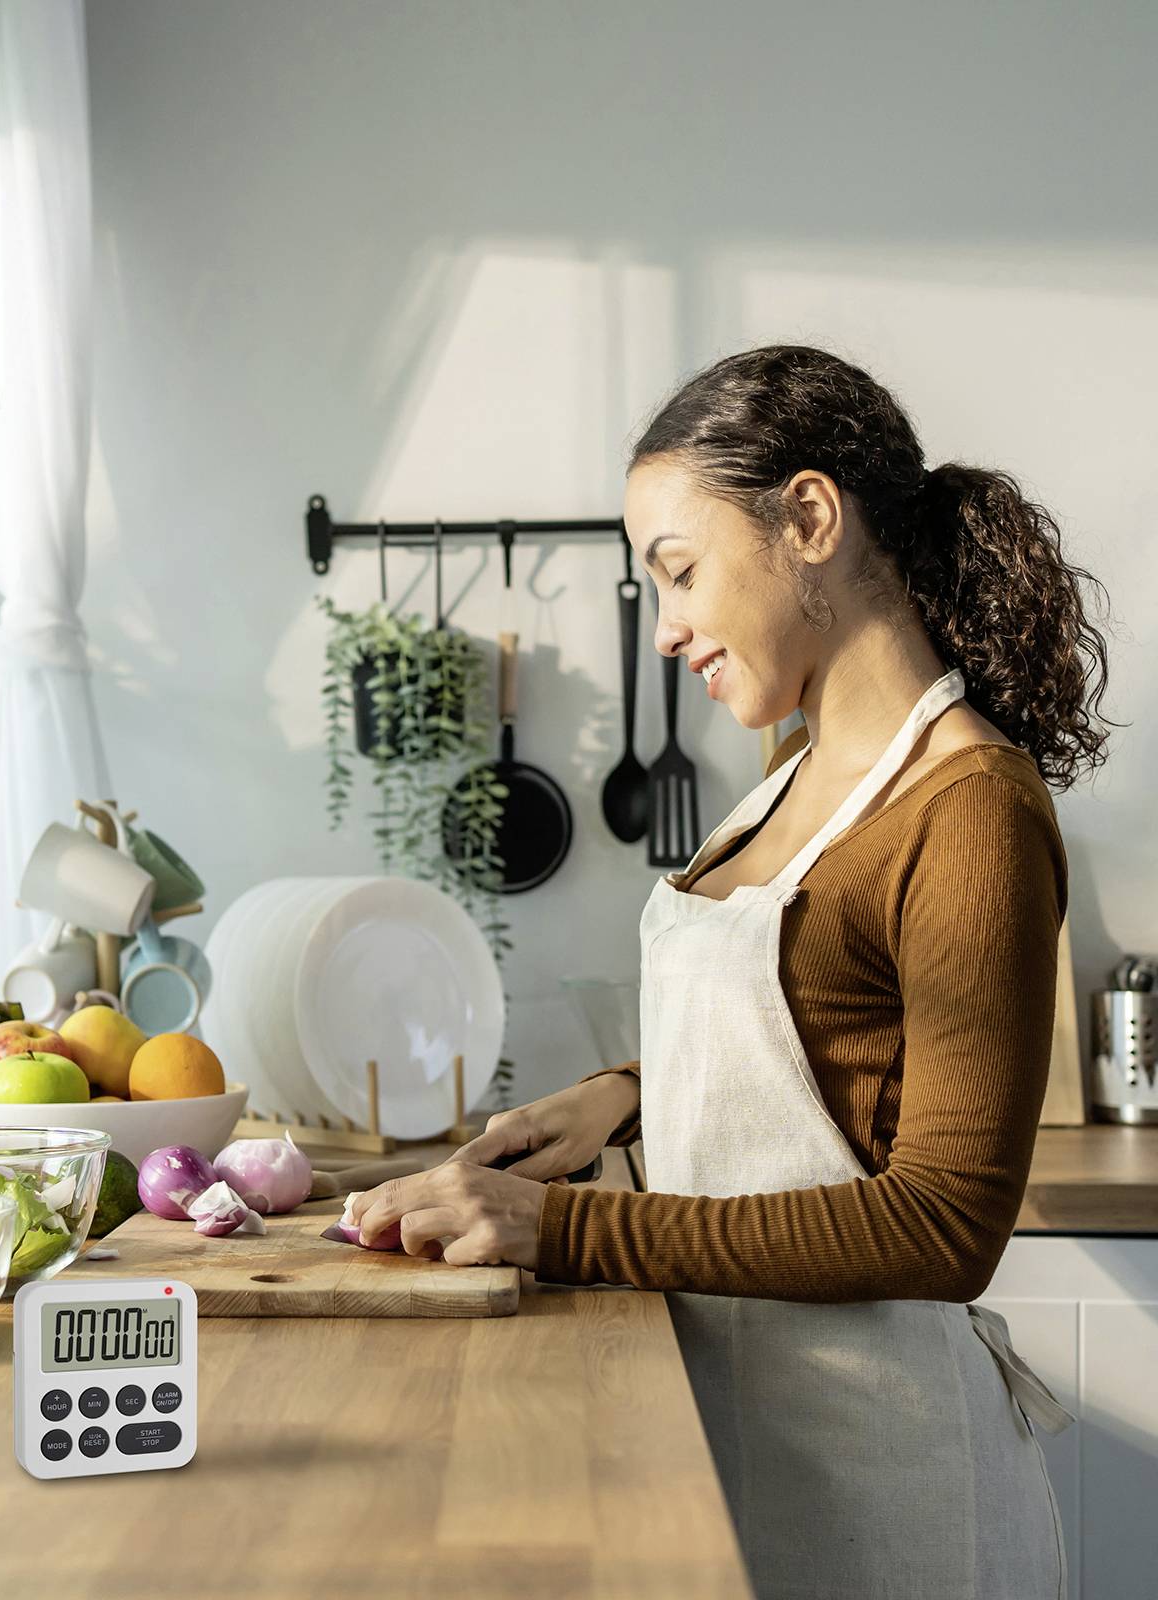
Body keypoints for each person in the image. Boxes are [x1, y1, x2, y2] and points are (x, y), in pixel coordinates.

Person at [348, 344, 1114, 1599]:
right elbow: (831, 1045)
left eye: (681, 572)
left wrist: (564, 1228)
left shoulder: (969, 806)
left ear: (809, 517)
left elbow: (942, 1224)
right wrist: (620, 1095)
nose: (669, 631)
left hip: (884, 1493)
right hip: (733, 1438)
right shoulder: (790, 780)